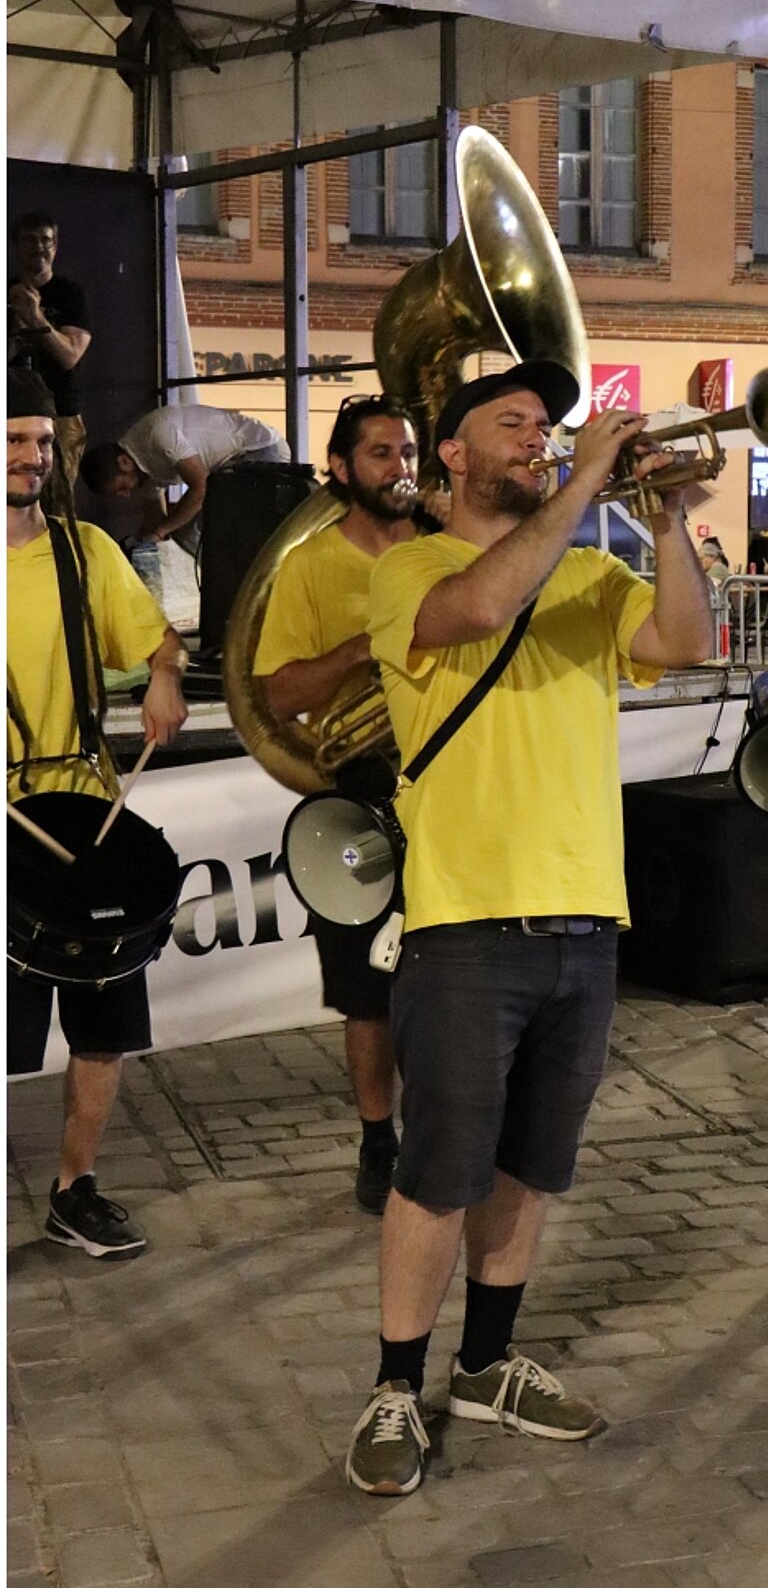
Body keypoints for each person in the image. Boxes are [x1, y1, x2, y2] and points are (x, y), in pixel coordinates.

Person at [344, 357, 712, 1495]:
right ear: (448, 455)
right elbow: (483, 605)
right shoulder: (409, 564)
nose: (536, 436)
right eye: (511, 424)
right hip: (465, 918)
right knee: (437, 1168)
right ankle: (396, 1383)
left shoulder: (588, 566)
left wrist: (663, 519)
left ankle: (488, 1361)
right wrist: (583, 478)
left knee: (530, 1163)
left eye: (545, 426)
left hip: (584, 916)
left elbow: (684, 641)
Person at [7, 370, 188, 1257]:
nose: (32, 457)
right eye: (14, 439)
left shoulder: (86, 553)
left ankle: (74, 1188)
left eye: (41, 441)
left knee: (104, 1029)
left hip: (83, 810)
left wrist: (162, 676)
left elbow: (159, 641)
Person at [253, 397, 421, 1213]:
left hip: (451, 777)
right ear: (342, 470)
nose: (402, 467)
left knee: (450, 973)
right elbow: (278, 692)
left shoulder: (449, 551)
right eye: (382, 453)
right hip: (359, 786)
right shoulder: (311, 566)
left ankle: (444, 1130)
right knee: (365, 989)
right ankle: (376, 1137)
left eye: (410, 452)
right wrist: (360, 648)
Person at [81, 404, 290, 556]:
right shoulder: (141, 473)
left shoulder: (160, 435)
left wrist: (159, 533)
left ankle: (233, 583)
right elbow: (156, 523)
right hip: (226, 467)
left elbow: (200, 487)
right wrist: (137, 547)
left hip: (259, 448)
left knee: (210, 524)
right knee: (184, 531)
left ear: (124, 462)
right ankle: (217, 584)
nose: (125, 495)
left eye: (122, 488)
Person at [7, 212, 93, 482]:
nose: (39, 248)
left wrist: (36, 318)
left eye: (46, 240)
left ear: (55, 246)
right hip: (11, 410)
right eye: (30, 240)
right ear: (17, 246)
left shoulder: (70, 295)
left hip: (60, 414)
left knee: (59, 500)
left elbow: (70, 356)